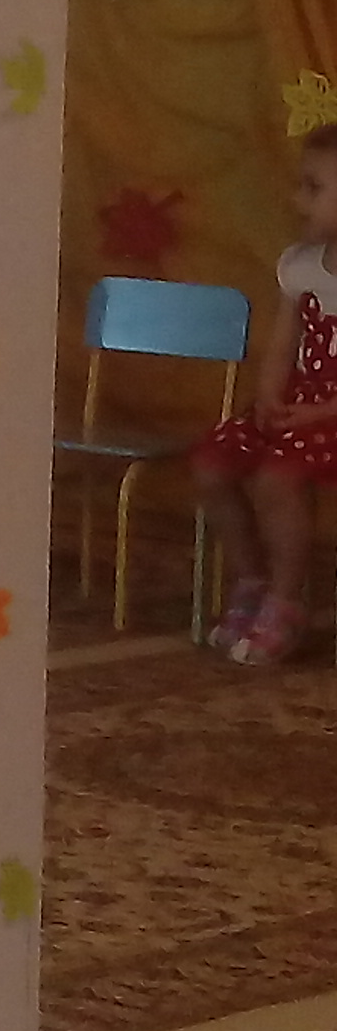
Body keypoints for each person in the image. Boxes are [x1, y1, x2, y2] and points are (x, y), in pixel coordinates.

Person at [192, 123, 337, 667]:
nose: (297, 199)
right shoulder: (299, 265)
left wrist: (320, 412)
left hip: (332, 413)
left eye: (313, 187)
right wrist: (271, 398)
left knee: (278, 478)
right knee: (212, 463)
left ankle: (286, 600)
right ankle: (251, 581)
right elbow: (282, 345)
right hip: (299, 404)